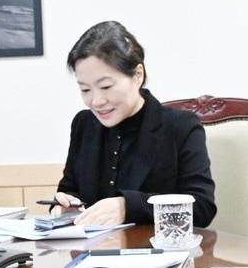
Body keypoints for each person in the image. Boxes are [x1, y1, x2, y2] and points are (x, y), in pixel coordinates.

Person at [54, 21, 215, 229]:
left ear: (137, 75)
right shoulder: (84, 125)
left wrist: (128, 206)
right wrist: (66, 206)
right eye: (85, 90)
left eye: (105, 86)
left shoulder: (180, 126)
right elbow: (69, 190)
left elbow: (202, 208)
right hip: (92, 257)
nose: (96, 101)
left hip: (159, 255)